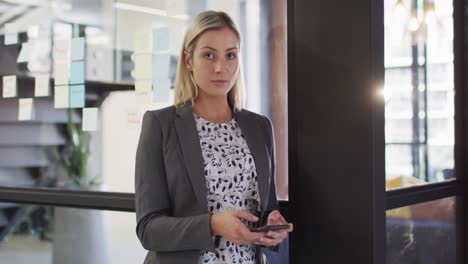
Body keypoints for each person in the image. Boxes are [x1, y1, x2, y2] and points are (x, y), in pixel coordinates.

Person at [135, 10, 293, 264]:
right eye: (208, 55)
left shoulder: (259, 127)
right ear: (188, 60)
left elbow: (264, 209)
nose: (221, 68)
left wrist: (271, 224)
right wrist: (212, 225)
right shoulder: (160, 125)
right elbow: (148, 229)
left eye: (230, 55)